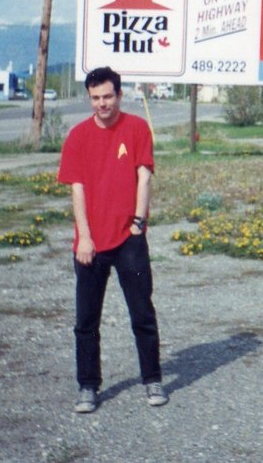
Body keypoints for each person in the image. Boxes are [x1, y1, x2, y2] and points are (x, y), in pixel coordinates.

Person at [57, 66, 167, 413]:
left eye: (107, 96)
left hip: (129, 241)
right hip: (91, 242)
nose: (102, 104)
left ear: (119, 94)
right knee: (86, 320)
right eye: (95, 98)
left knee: (142, 314)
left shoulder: (136, 129)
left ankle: (152, 380)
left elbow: (144, 177)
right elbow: (77, 188)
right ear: (89, 98)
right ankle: (88, 386)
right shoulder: (77, 136)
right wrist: (84, 238)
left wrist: (138, 224)